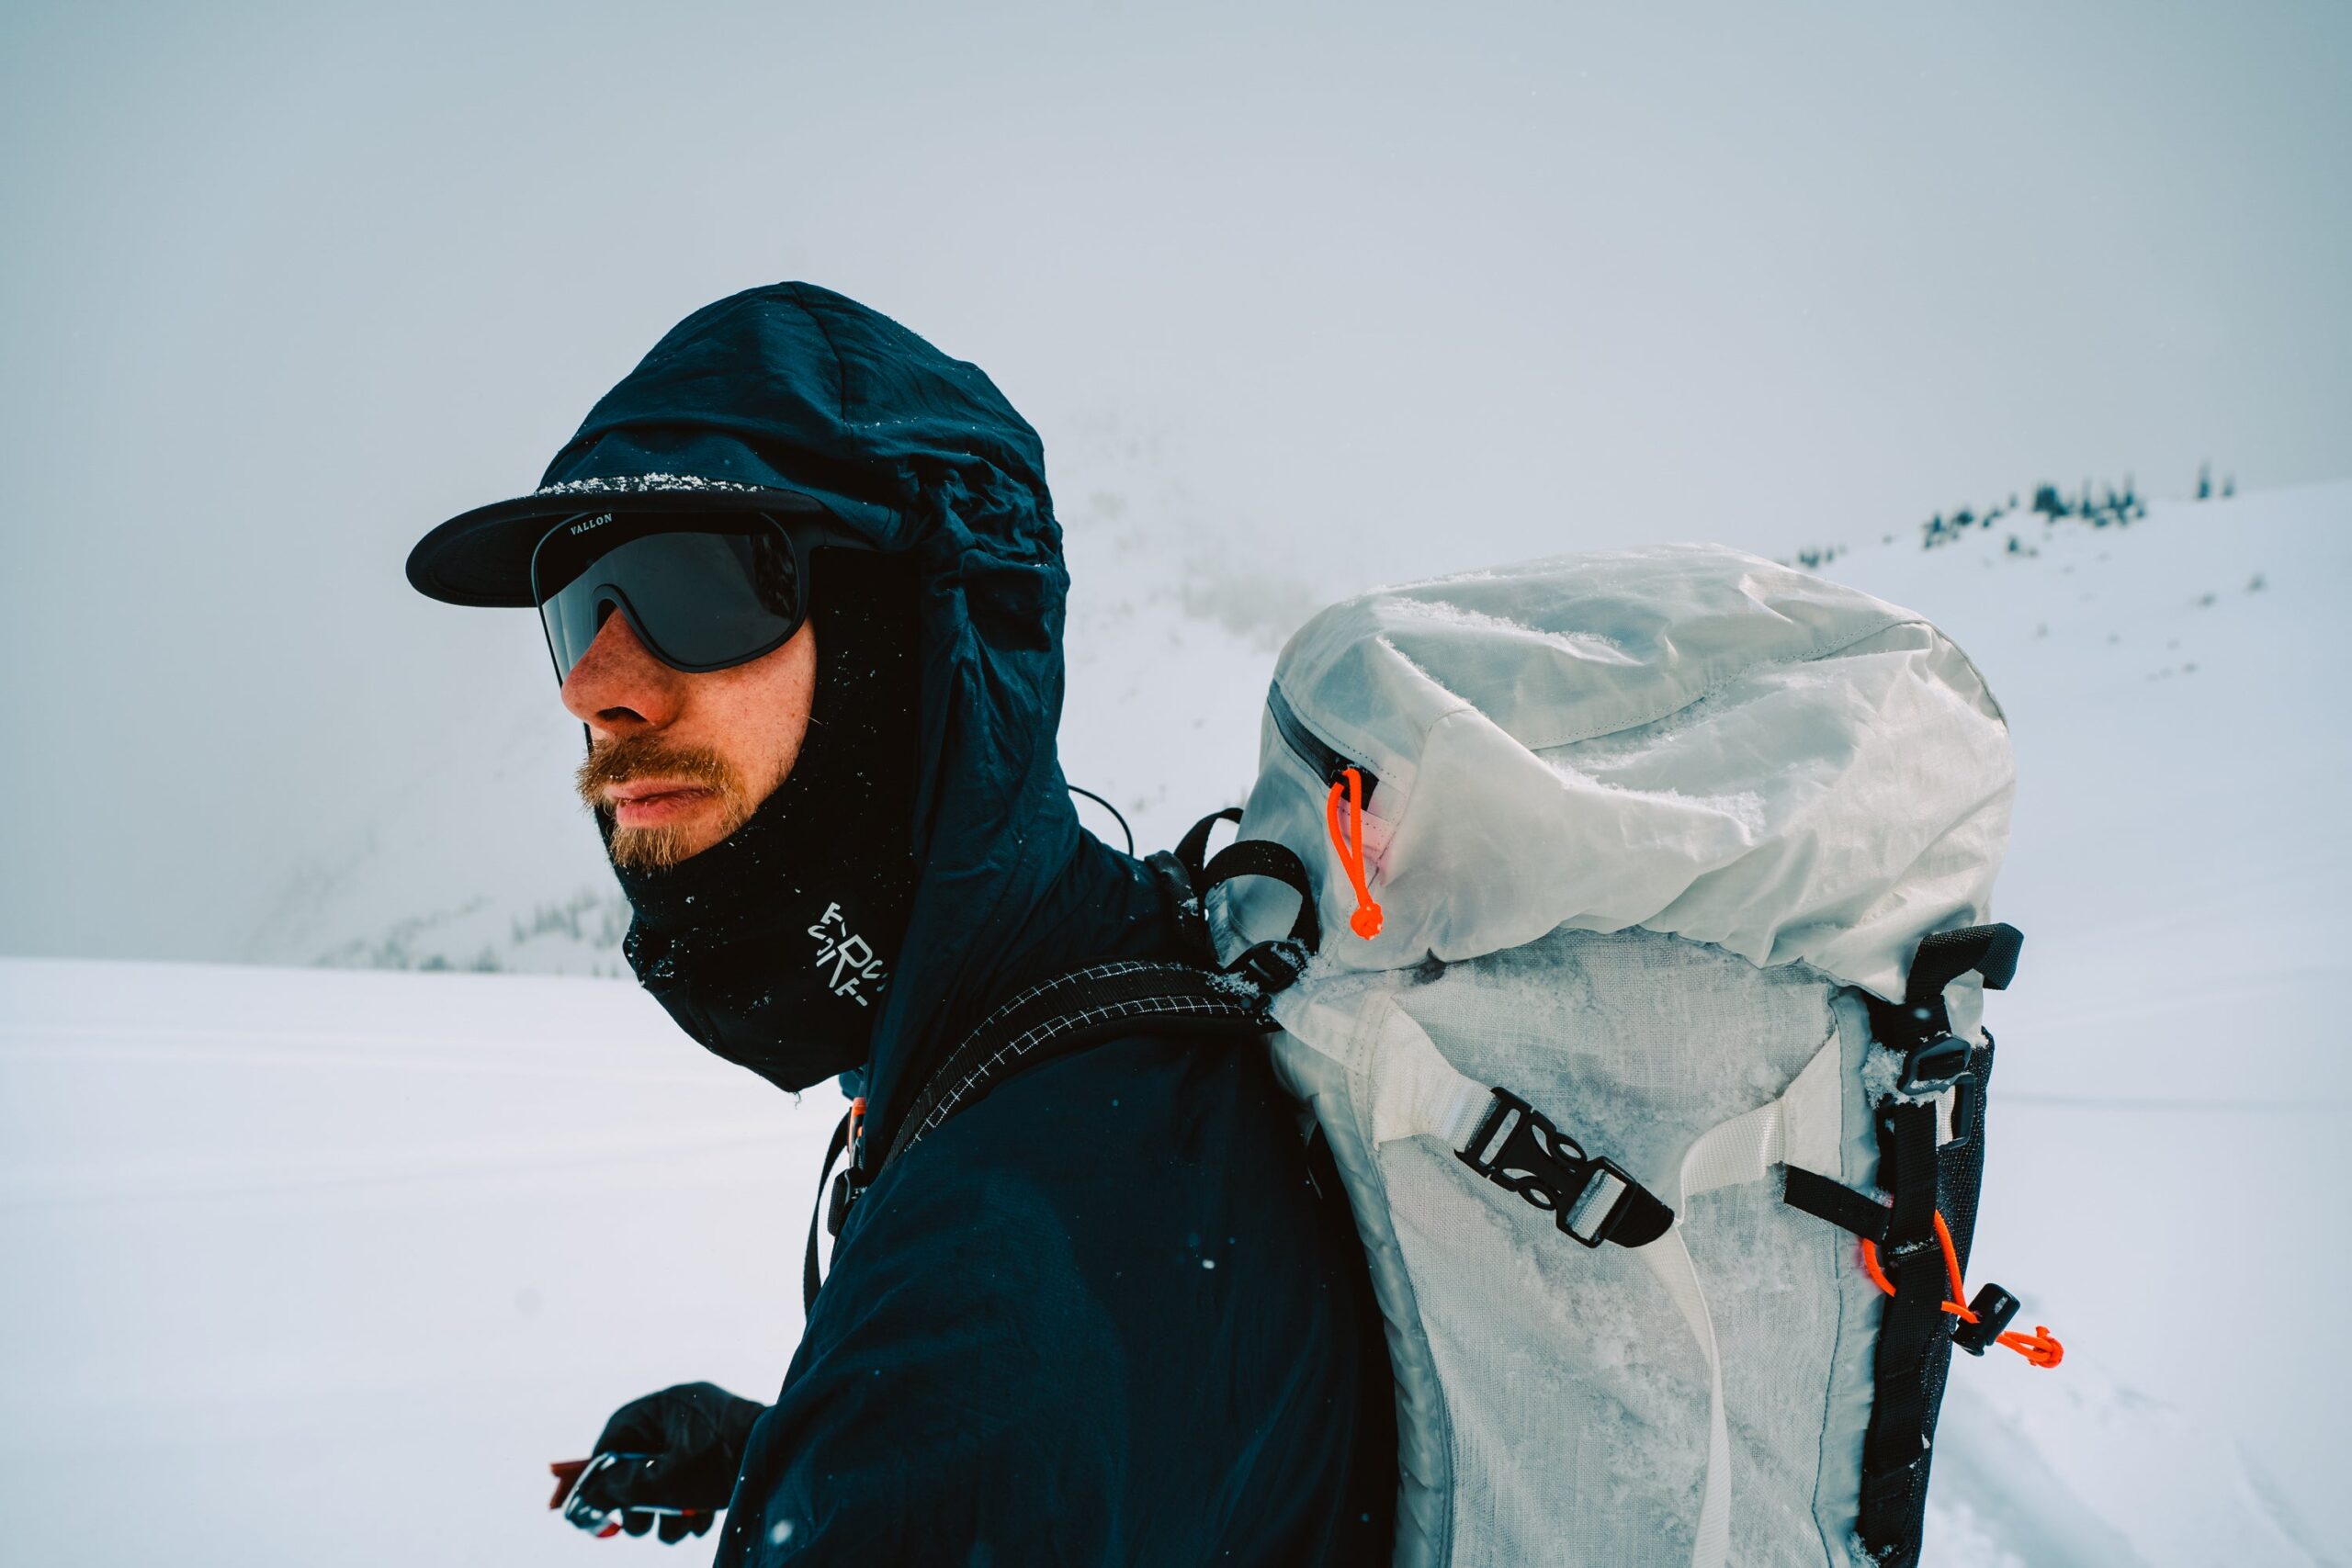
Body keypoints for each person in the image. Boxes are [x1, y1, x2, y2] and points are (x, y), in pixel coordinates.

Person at [404, 282, 1396, 1564]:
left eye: (691, 583)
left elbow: (1018, 1371)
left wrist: (875, 1461)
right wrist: (791, 1454)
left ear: (917, 629)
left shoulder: (997, 1284)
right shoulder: (1115, 998)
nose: (596, 685)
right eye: (576, 600)